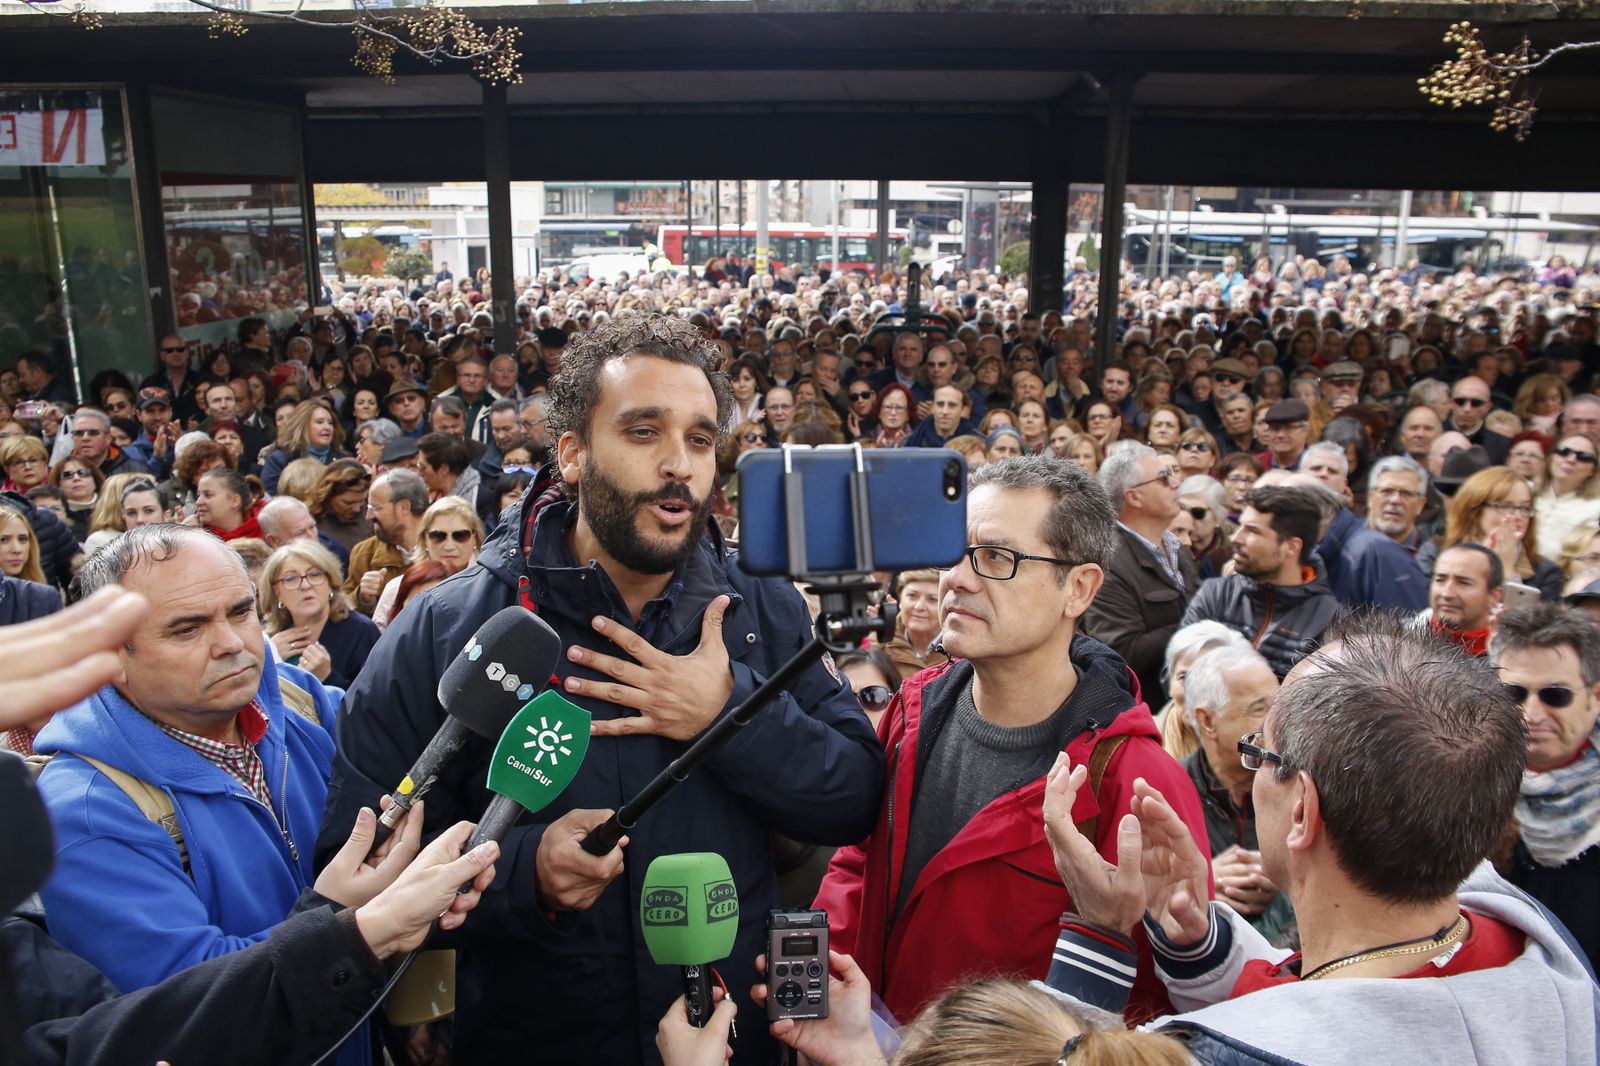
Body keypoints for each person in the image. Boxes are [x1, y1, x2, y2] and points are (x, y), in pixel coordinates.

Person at [317, 311, 882, 1064]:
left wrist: (727, 712)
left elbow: (852, 798)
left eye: (702, 439)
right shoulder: (449, 627)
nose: (680, 463)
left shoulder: (765, 608)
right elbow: (363, 867)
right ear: (574, 455)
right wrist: (525, 875)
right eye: (645, 432)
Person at [1039, 613, 1597, 1064]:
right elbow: (1311, 995)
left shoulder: (1210, 1056)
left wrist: (1101, 933)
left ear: (1302, 808)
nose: (1250, 766)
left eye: (1260, 750)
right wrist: (1198, 939)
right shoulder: (1544, 956)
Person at [815, 454, 1210, 1026]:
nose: (957, 578)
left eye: (996, 558)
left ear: (1078, 588)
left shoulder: (1137, 782)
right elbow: (858, 863)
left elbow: (1162, 1013)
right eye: (952, 553)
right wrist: (829, 989)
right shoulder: (910, 711)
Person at [30, 527, 382, 1066]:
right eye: (188, 629)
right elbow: (190, 1004)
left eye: (240, 612)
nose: (233, 643)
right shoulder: (85, 812)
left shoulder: (304, 702)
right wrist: (344, 921)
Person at [1489, 603, 1600, 971]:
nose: (1532, 715)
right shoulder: (1464, 784)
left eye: (1555, 695)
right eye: (1515, 694)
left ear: (1594, 697)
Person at [1178, 643, 1292, 940]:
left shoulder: (1300, 784)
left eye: (1280, 706)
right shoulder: (1165, 791)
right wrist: (1195, 883)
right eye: (1260, 709)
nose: (1277, 722)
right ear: (1207, 721)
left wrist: (1285, 880)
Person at [1179, 484, 1340, 677]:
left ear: (1291, 547)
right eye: (1240, 526)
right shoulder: (1215, 594)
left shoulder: (1331, 621)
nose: (1235, 538)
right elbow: (1177, 673)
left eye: (1253, 531)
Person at [1086, 445, 1196, 707]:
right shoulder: (1108, 561)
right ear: (1133, 497)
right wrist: (1197, 622)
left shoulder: (1177, 548)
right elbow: (1122, 651)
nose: (1176, 483)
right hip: (1147, 715)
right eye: (1163, 478)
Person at [1418, 466, 1563, 601]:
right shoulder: (1435, 552)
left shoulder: (1547, 572)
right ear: (1475, 513)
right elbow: (1423, 607)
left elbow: (1528, 627)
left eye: (1525, 508)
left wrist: (1508, 573)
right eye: (1506, 506)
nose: (1518, 516)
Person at [259, 540, 379, 690]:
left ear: (330, 581)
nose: (306, 585)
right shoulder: (267, 638)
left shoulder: (361, 631)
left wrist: (327, 677)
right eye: (291, 578)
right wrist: (270, 660)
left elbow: (373, 704)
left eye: (314, 574)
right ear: (276, 592)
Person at [371, 495, 484, 631]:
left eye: (460, 535)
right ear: (424, 539)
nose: (449, 545)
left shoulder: (488, 587)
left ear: (475, 538)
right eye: (438, 536)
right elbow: (380, 645)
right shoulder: (397, 588)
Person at [344, 468, 426, 615]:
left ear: (404, 507)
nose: (368, 516)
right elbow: (341, 610)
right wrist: (362, 598)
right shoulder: (364, 553)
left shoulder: (444, 543)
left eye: (374, 507)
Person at [1533, 431, 1600, 561]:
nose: (1570, 460)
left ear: (1593, 470)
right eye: (1564, 452)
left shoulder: (1597, 509)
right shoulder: (1525, 491)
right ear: (1551, 457)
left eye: (1583, 457)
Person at [1429, 542, 1503, 656]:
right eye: (1440, 580)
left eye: (1463, 583)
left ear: (1494, 596)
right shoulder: (1406, 639)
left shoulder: (1509, 660)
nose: (1447, 593)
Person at [261, 400, 347, 496]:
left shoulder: (343, 461)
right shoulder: (279, 460)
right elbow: (269, 497)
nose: (327, 427)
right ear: (303, 426)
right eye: (320, 422)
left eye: (330, 423)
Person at [875, 568, 942, 680]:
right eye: (912, 596)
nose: (919, 606)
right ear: (899, 600)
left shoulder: (963, 650)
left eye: (932, 599)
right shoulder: (876, 645)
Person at [305, 458, 372, 558]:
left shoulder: (372, 514)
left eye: (361, 501)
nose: (357, 509)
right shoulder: (309, 522)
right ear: (328, 494)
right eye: (348, 503)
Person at [1367, 454, 1431, 555]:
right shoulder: (1347, 544)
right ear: (1370, 498)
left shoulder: (1432, 555)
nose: (1395, 500)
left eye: (1406, 493)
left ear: (1420, 505)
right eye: (1387, 491)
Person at [1447, 374, 1511, 464]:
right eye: (1460, 401)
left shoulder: (1502, 445)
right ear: (1450, 403)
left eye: (1476, 403)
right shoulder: (1434, 436)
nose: (1467, 409)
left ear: (1488, 407)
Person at [192, 467, 263, 542]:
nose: (198, 502)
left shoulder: (267, 532)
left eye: (208, 495)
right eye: (198, 495)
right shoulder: (193, 537)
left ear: (235, 501)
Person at [416, 430, 477, 502]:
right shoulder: (428, 497)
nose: (419, 473)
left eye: (422, 467)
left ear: (443, 469)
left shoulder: (476, 500)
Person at [1256, 399, 1310, 472]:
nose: (1280, 435)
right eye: (1275, 428)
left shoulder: (1320, 467)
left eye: (1289, 428)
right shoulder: (1254, 465)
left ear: (1305, 430)